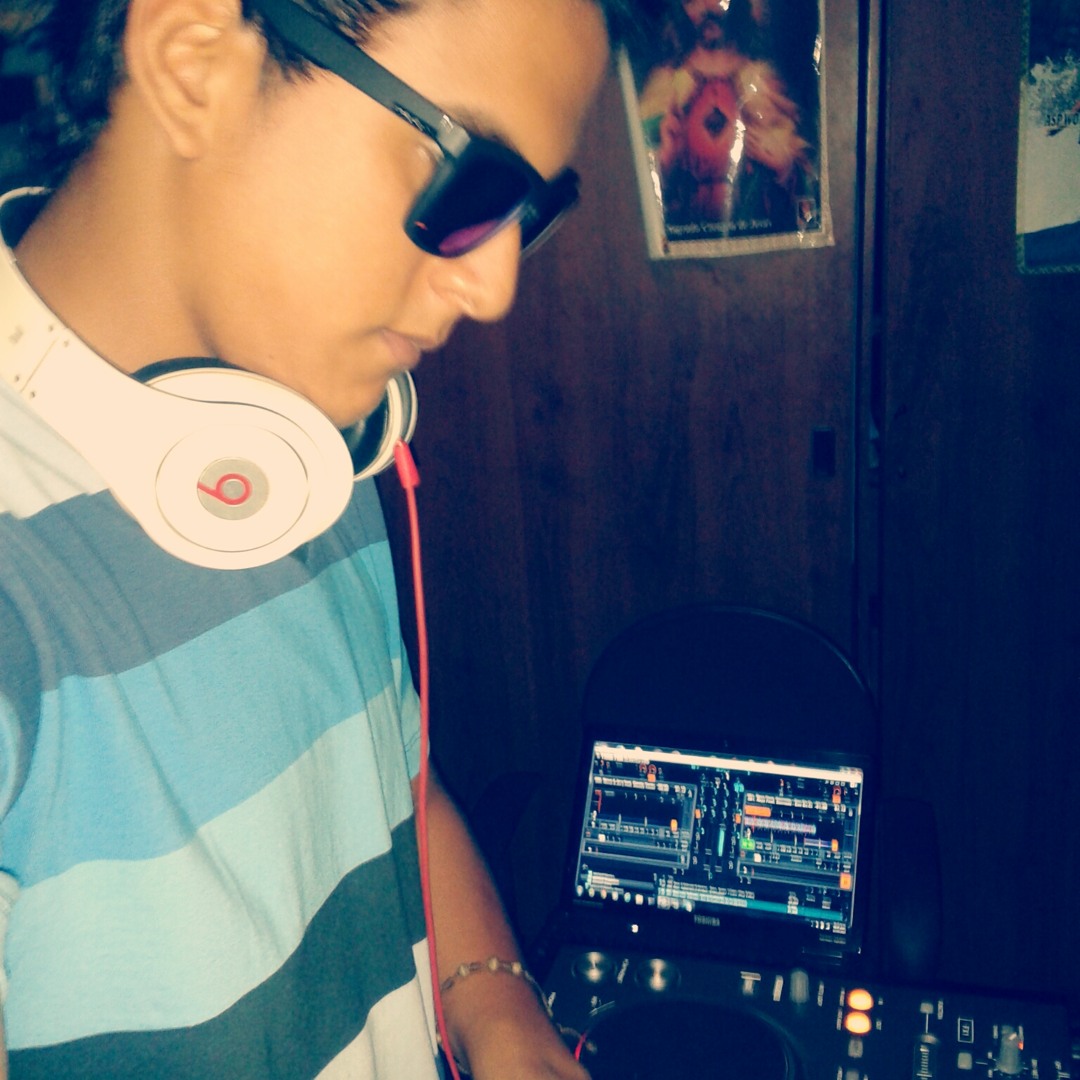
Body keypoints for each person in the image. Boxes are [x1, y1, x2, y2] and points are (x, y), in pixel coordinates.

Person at [0, 0, 652, 1075]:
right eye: (472, 181)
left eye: (526, 210)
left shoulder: (303, 442)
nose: (494, 286)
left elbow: (388, 774)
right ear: (193, 62)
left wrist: (498, 1012)